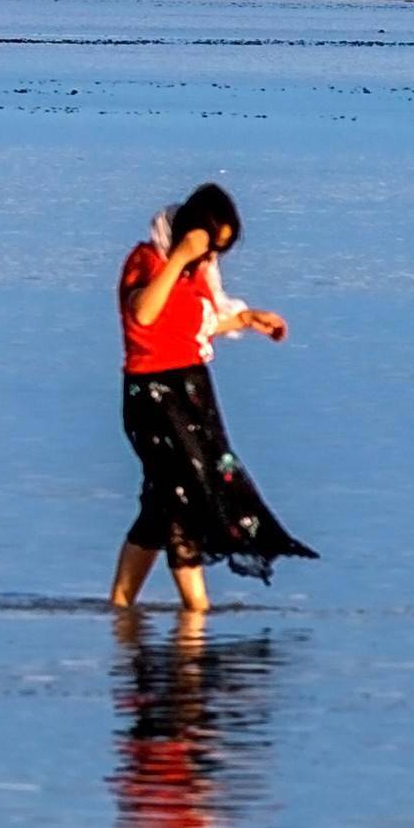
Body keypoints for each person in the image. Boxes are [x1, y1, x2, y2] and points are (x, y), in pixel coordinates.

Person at [109, 182, 311, 618]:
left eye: (218, 252)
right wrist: (179, 257)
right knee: (184, 494)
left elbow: (192, 324)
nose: (212, 259)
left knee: (163, 499)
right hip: (153, 396)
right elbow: (144, 314)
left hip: (193, 390)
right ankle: (196, 609)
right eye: (210, 248)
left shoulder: (199, 274)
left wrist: (246, 319)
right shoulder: (146, 261)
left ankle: (122, 605)